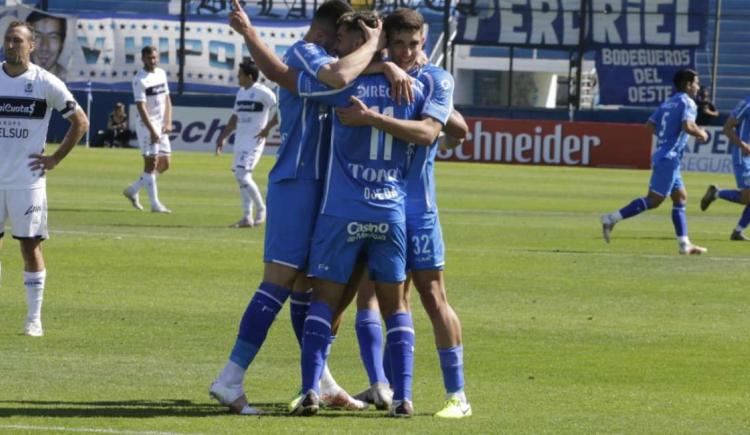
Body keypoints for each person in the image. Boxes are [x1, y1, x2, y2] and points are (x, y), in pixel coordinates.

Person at [209, 0, 383, 415]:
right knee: (279, 281)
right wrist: (376, 49)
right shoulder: (307, 53)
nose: (345, 48)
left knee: (309, 285)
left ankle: (320, 379)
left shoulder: (325, 60)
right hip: (297, 183)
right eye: (342, 40)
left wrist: (387, 67)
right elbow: (341, 76)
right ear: (326, 34)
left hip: (323, 189)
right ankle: (230, 378)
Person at [290, 11, 444, 417]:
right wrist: (392, 67)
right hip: (390, 209)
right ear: (387, 42)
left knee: (323, 301)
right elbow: (440, 128)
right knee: (396, 306)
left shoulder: (349, 84)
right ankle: (403, 396)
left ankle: (309, 390)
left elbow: (304, 82)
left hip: (342, 210)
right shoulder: (422, 84)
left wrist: (374, 60)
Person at [345, 8, 473, 419]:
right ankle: (384, 385)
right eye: (397, 44)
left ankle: (458, 395)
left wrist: (374, 117)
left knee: (433, 297)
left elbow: (435, 131)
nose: (406, 52)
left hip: (418, 209)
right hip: (377, 204)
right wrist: (382, 62)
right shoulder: (376, 71)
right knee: (374, 295)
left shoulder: (434, 78)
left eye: (413, 44)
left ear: (425, 41)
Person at [0, 21, 88, 336]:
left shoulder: (45, 82)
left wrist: (55, 158)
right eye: (8, 40)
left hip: (28, 181)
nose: (11, 45)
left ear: (31, 45)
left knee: (30, 247)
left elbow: (80, 121)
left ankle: (34, 319)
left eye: (17, 40)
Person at [601, 69, 709, 255]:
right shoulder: (688, 102)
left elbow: (649, 125)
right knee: (653, 201)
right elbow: (688, 126)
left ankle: (685, 244)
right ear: (688, 84)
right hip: (669, 158)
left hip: (665, 156)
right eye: (696, 83)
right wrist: (702, 133)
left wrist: (666, 137)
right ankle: (611, 218)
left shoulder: (669, 102)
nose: (698, 87)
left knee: (680, 197)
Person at [215, 59, 278, 228]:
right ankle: (247, 217)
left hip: (254, 141)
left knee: (242, 175)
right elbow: (235, 117)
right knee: (241, 177)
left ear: (249, 77)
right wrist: (223, 136)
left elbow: (281, 109)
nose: (237, 77)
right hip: (240, 142)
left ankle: (262, 208)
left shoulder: (264, 93)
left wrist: (267, 128)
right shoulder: (241, 92)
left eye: (240, 75)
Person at [122, 46, 173, 213]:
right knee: (150, 165)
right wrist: (152, 130)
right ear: (143, 59)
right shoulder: (140, 79)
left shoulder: (161, 73)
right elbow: (141, 107)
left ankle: (133, 189)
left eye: (156, 57)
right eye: (150, 58)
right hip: (147, 126)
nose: (154, 61)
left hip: (161, 125)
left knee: (165, 163)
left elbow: (167, 99)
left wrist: (168, 121)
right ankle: (155, 204)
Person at [699, 95, 750, 241]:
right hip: (743, 156)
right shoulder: (747, 104)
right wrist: (743, 145)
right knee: (747, 197)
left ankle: (738, 232)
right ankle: (716, 193)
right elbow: (727, 128)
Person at [26, 11, 67, 81]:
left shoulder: (73, 83)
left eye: (53, 37)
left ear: (62, 43)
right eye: (37, 36)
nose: (44, 47)